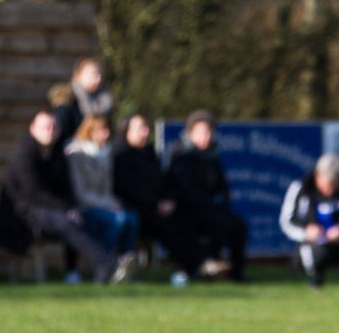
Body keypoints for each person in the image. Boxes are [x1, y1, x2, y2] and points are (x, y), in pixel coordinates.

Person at [0, 111, 121, 283]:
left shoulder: (58, 154)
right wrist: (65, 209)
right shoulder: (24, 154)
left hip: (52, 208)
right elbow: (33, 193)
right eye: (45, 127)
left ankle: (98, 270)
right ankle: (109, 265)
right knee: (66, 222)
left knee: (82, 218)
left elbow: (66, 188)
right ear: (33, 129)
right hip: (24, 212)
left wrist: (71, 207)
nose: (50, 131)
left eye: (53, 127)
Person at [113, 113, 205, 286]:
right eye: (140, 128)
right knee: (166, 227)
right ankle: (187, 268)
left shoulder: (149, 153)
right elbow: (126, 189)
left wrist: (167, 199)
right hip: (137, 209)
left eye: (146, 128)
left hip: (157, 206)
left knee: (184, 219)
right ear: (126, 131)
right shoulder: (120, 155)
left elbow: (162, 181)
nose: (145, 132)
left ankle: (198, 265)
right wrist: (155, 204)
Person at [166, 111, 248, 282]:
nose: (207, 137)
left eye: (210, 132)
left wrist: (222, 201)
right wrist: (211, 204)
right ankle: (203, 266)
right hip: (186, 211)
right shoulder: (181, 155)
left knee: (239, 225)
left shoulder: (212, 156)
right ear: (190, 133)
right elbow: (185, 190)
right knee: (219, 224)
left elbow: (222, 186)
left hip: (210, 209)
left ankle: (236, 274)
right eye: (202, 132)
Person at [279, 153, 339, 288]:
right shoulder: (301, 187)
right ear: (318, 176)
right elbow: (286, 222)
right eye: (327, 185)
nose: (330, 190)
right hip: (317, 243)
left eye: (334, 185)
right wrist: (306, 232)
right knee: (312, 252)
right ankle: (315, 278)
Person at [65, 115, 138, 279]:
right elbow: (80, 192)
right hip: (83, 207)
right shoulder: (76, 154)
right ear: (89, 132)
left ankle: (125, 267)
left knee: (131, 218)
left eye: (106, 130)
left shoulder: (106, 154)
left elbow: (106, 189)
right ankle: (104, 267)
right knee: (116, 221)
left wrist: (113, 203)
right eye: (101, 130)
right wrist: (107, 204)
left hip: (104, 205)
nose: (105, 134)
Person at [52, 57, 113, 153]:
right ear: (78, 76)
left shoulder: (105, 101)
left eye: (99, 74)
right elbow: (62, 135)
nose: (98, 78)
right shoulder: (67, 101)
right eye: (94, 74)